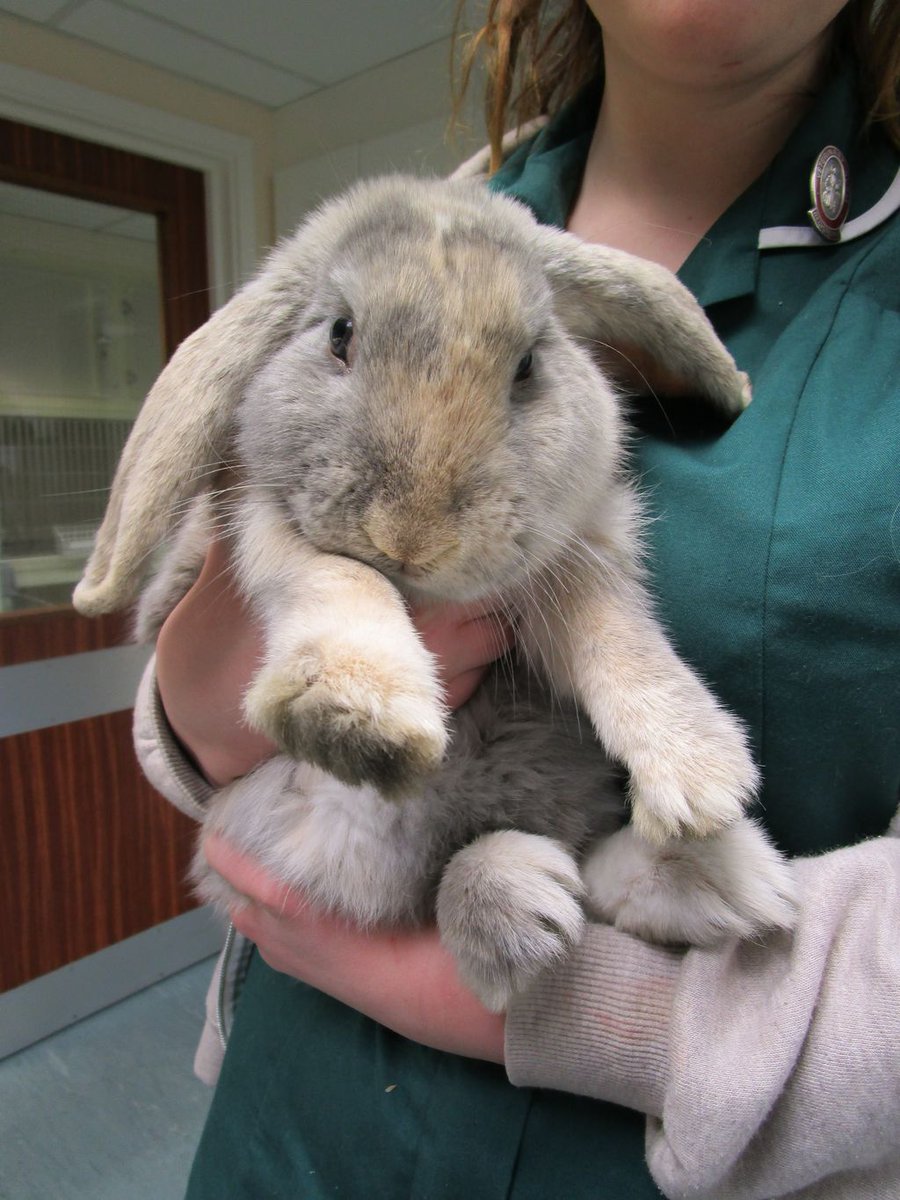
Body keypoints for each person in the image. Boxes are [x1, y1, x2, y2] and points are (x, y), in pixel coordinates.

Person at [136, 1, 900, 1196]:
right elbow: (202, 697)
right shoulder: (418, 224)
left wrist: (592, 1011)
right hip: (290, 1123)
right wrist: (205, 692)